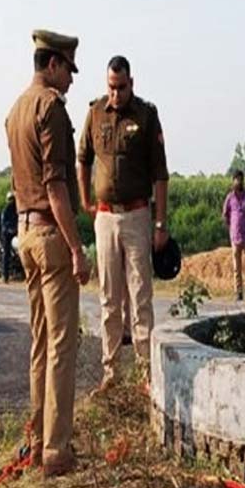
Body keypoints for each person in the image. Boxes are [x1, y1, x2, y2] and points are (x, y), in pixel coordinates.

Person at [6, 29, 91, 477]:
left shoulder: (15, 109)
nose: (72, 80)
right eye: (69, 70)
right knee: (61, 345)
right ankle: (57, 451)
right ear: (53, 64)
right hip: (52, 236)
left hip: (25, 235)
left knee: (40, 343)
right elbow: (57, 186)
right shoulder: (50, 109)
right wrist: (77, 248)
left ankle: (37, 440)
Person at [78, 55, 170, 392]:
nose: (115, 94)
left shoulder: (146, 115)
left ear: (132, 83)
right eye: (111, 88)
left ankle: (146, 370)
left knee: (140, 293)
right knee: (108, 297)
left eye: (121, 87)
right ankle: (111, 371)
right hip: (105, 215)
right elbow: (83, 158)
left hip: (136, 214)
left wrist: (161, 223)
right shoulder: (95, 112)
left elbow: (160, 173)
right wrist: (85, 200)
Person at [222, 169, 245, 301]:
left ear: (243, 180)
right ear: (233, 181)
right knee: (236, 267)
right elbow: (225, 215)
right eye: (236, 179)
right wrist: (232, 227)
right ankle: (238, 292)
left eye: (240, 179)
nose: (238, 182)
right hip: (235, 237)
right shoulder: (230, 198)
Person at [1, 191, 19, 282]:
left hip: (16, 233)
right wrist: (10, 230)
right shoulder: (6, 210)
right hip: (7, 234)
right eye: (10, 199)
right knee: (6, 254)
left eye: (13, 199)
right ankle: (5, 276)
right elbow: (4, 224)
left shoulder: (17, 209)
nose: (11, 201)